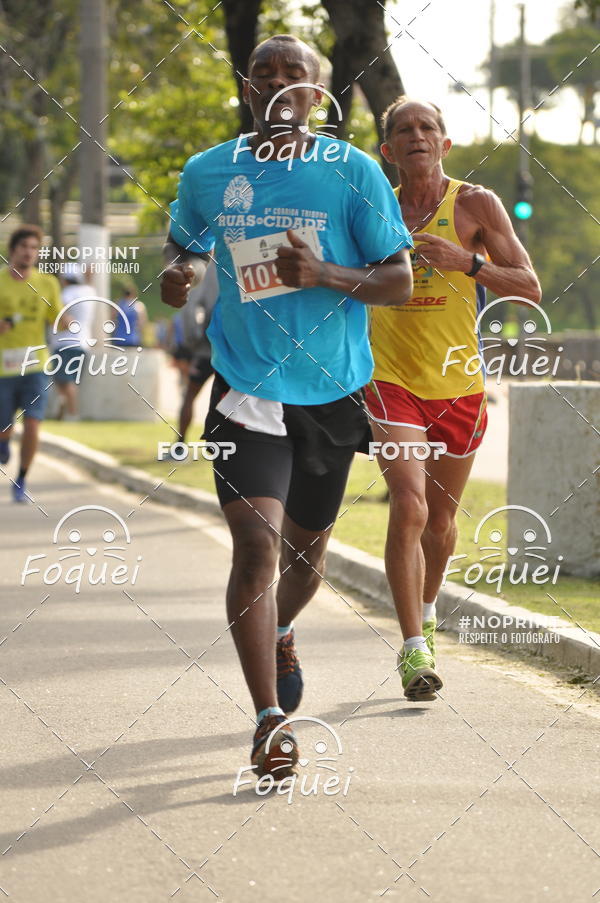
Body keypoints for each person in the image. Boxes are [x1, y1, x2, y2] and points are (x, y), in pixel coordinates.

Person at [161, 34, 413, 778]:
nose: (277, 83)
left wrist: (325, 271)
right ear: (247, 86)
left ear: (315, 92)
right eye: (263, 72)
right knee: (257, 549)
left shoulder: (353, 172)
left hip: (333, 394)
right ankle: (269, 720)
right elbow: (189, 247)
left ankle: (281, 629)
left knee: (305, 561)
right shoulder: (209, 171)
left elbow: (397, 280)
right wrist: (181, 272)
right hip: (246, 389)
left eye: (293, 74)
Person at [366, 98, 541, 700]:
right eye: (403, 130)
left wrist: (467, 262)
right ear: (387, 150)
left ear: (444, 143)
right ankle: (414, 651)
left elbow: (530, 286)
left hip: (458, 381)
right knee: (409, 507)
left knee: (440, 523)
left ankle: (429, 608)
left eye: (427, 128)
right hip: (389, 378)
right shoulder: (371, 205)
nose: (416, 136)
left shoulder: (475, 204)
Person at [0, 225, 66, 502]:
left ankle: (22, 478)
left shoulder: (47, 283)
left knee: (34, 423)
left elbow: (57, 318)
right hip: (3, 368)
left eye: (34, 248)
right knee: (4, 427)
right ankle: (3, 442)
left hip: (36, 366)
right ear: (13, 250)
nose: (29, 253)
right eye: (24, 247)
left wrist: (68, 322)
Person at [176, 258, 217, 444]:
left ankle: (181, 442)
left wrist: (192, 342)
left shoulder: (209, 269)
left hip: (207, 347)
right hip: (238, 350)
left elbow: (190, 307)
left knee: (190, 394)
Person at [50, 263, 94, 420]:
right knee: (71, 380)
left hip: (64, 341)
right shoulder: (89, 292)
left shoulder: (66, 293)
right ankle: (64, 404)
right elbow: (90, 280)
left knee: (65, 380)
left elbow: (60, 312)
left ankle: (72, 413)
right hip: (83, 342)